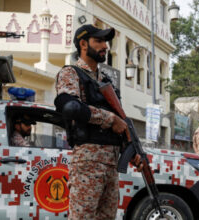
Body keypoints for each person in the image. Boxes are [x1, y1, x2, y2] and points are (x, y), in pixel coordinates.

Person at [54, 24, 142, 219]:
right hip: (88, 161)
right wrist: (110, 119)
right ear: (83, 44)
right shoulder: (71, 73)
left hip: (111, 163)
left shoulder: (106, 83)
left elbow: (122, 121)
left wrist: (132, 148)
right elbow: (70, 107)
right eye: (99, 41)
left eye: (106, 41)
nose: (106, 46)